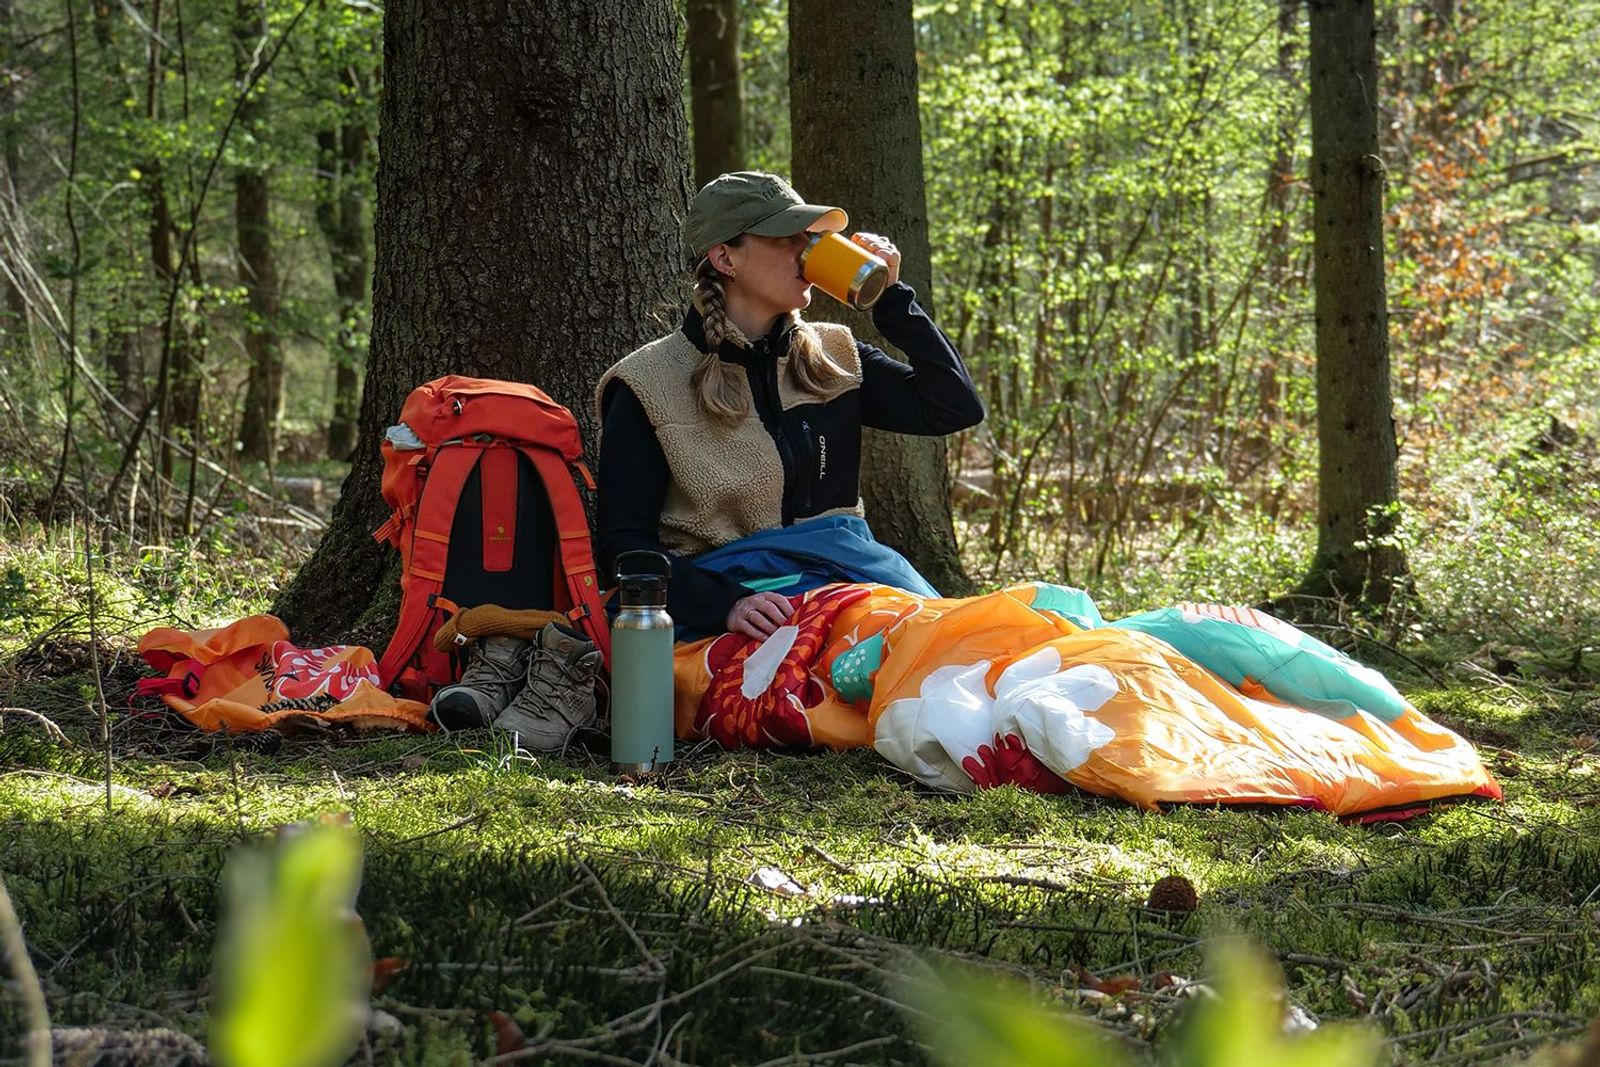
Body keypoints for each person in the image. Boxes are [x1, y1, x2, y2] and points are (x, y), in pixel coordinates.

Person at [595, 171, 983, 642]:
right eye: (788, 237)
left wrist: (892, 301)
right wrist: (727, 603)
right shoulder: (647, 382)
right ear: (724, 257)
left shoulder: (834, 355)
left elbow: (954, 408)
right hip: (739, 616)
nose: (808, 251)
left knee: (961, 650)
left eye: (812, 237)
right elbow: (624, 546)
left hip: (849, 589)